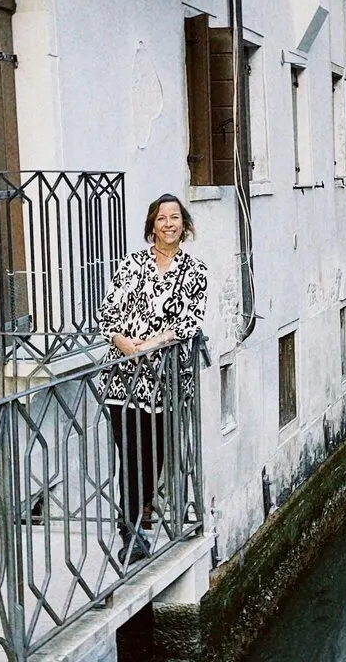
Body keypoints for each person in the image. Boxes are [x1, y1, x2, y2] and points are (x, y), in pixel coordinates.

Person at [96, 193, 207, 565]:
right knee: (129, 453)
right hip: (123, 376)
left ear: (184, 224)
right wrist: (123, 342)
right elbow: (108, 312)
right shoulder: (131, 264)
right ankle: (130, 530)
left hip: (164, 379)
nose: (168, 224)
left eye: (175, 217)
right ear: (152, 225)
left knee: (153, 455)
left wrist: (154, 343)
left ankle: (138, 518)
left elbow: (190, 321)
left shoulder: (195, 271)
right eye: (161, 218)